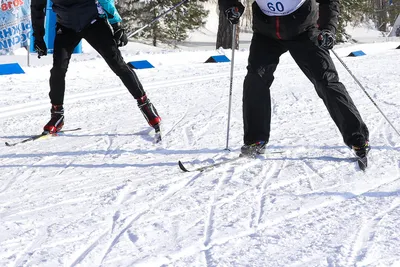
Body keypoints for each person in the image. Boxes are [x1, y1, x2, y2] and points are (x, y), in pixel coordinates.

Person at [218, 0, 370, 159]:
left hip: (303, 31)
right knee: (255, 79)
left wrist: (327, 29)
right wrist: (230, 6)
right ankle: (255, 140)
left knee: (325, 79)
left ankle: (357, 137)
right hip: (266, 33)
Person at [30, 0, 161, 134]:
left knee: (117, 64)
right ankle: (57, 115)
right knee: (58, 69)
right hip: (66, 26)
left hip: (94, 23)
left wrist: (117, 25)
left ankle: (145, 105)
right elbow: (37, 8)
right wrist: (38, 38)